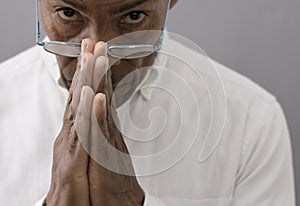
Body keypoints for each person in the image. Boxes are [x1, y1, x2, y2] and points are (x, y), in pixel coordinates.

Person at [0, 0, 296, 205]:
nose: (99, 54)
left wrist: (129, 202)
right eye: (67, 13)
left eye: (132, 17)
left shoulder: (250, 120)